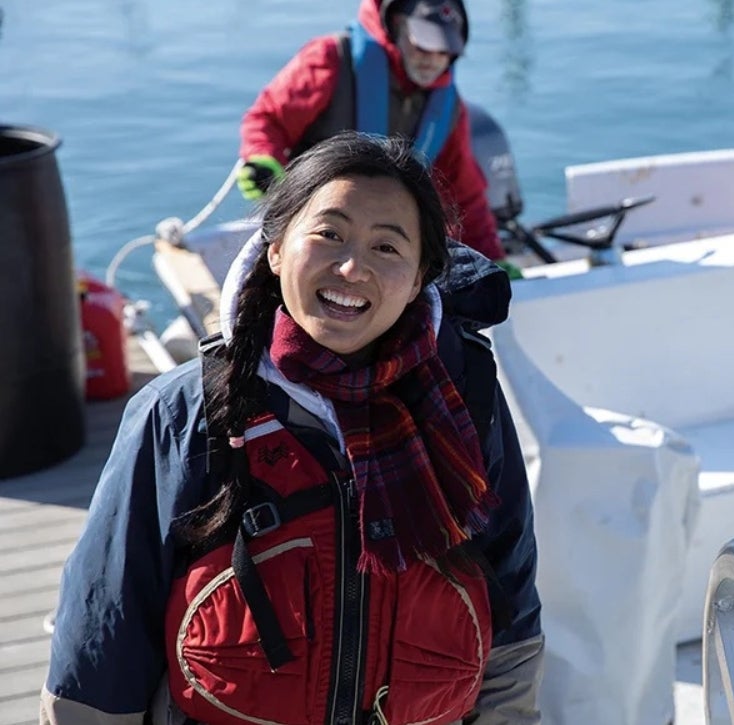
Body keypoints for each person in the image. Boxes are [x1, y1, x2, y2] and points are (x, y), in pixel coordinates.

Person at [41, 132, 542, 725]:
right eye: (328, 235)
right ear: (275, 249)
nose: (352, 268)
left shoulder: (467, 399)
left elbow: (509, 600)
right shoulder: (182, 412)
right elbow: (104, 632)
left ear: (419, 278)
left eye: (388, 247)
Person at [236, 0, 506, 262]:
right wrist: (263, 158)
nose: (432, 59)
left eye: (444, 49)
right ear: (398, 24)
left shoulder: (449, 108)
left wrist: (491, 257)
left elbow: (463, 194)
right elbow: (268, 119)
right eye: (423, 44)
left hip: (382, 243)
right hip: (311, 229)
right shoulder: (331, 58)